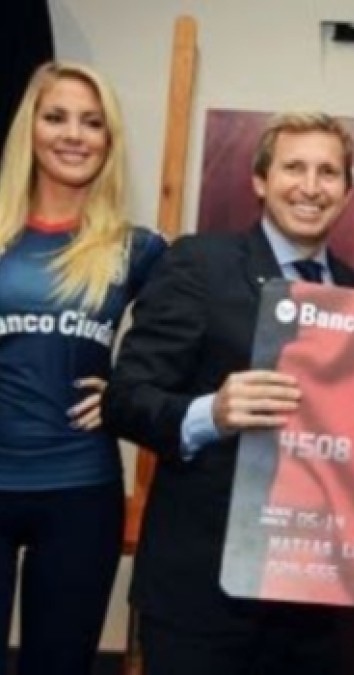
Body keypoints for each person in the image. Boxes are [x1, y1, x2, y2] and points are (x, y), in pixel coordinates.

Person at [102, 112, 354, 675]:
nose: (311, 186)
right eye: (294, 168)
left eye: (328, 172)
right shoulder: (200, 262)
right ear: (260, 180)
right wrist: (210, 413)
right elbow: (125, 398)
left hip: (309, 597)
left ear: (347, 190)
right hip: (202, 595)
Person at [0, 61, 165, 675]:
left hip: (80, 492)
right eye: (56, 117)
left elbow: (189, 342)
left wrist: (127, 391)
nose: (74, 135)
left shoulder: (137, 248)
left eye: (92, 123)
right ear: (30, 129)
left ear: (109, 139)